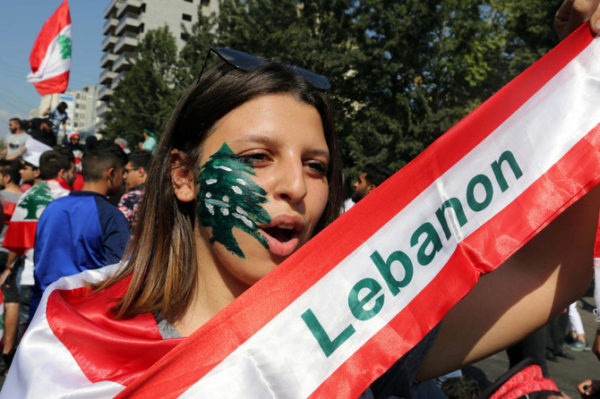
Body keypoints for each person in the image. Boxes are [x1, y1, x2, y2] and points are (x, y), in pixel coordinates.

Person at [3, 2, 600, 396]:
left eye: (316, 165)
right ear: (182, 175)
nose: (296, 185)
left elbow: (557, 271)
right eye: (257, 157)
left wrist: (585, 72)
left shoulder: (355, 323)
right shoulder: (76, 337)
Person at [29, 140, 129, 318]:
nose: (125, 178)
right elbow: (116, 278)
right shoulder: (111, 216)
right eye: (123, 172)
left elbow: (39, 260)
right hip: (82, 321)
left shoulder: (52, 208)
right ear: (111, 173)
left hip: (42, 315)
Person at [0, 149, 72, 371]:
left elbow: (15, 242)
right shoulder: (69, 197)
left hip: (30, 274)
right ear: (63, 171)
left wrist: (10, 268)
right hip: (63, 277)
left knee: (29, 329)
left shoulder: (28, 195)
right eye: (71, 170)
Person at [0, 160, 21, 372]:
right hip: (11, 253)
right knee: (11, 300)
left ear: (7, 177)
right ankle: (7, 351)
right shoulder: (24, 198)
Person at [118, 150, 151, 230]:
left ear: (141, 171)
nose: (124, 176)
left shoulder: (131, 198)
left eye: (127, 171)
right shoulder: (163, 193)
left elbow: (118, 226)